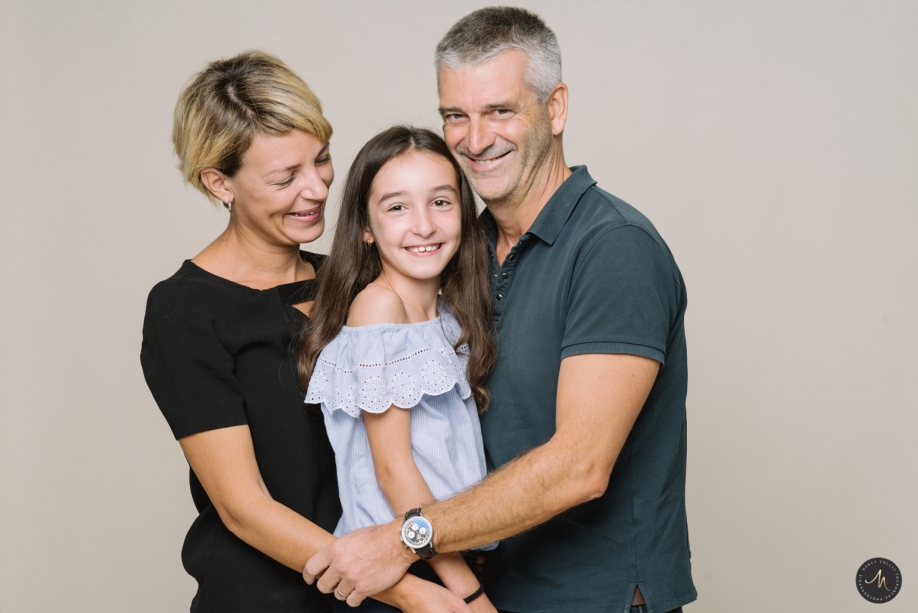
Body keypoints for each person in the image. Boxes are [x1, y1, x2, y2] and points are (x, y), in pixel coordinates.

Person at [304, 7, 696, 613]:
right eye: (455, 116)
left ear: (556, 108)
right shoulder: (460, 250)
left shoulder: (614, 250)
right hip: (486, 592)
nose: (475, 138)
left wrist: (407, 539)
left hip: (594, 598)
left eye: (500, 111)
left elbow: (581, 466)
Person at [141, 51, 470, 613]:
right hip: (273, 600)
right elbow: (245, 507)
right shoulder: (185, 312)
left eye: (320, 160)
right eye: (284, 177)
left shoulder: (360, 281)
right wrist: (412, 592)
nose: (317, 189)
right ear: (220, 183)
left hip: (386, 592)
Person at [300, 126, 499, 613]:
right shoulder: (378, 311)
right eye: (397, 207)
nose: (424, 226)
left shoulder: (448, 315)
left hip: (444, 556)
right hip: (405, 570)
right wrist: (470, 594)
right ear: (365, 228)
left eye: (441, 202)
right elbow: (394, 471)